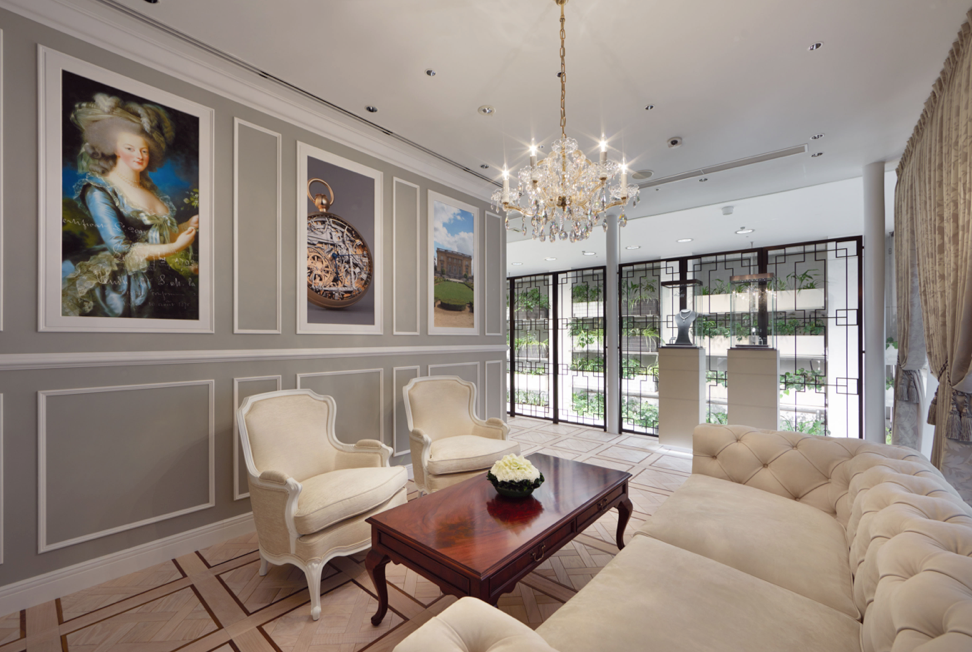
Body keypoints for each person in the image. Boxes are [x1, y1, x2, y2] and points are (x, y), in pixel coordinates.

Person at [62, 93, 199, 319]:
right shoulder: (98, 190)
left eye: (144, 150)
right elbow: (121, 249)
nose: (139, 155)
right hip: (125, 285)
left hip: (162, 279)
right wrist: (174, 247)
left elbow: (158, 237)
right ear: (113, 148)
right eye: (130, 148)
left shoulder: (151, 191)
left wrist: (186, 226)